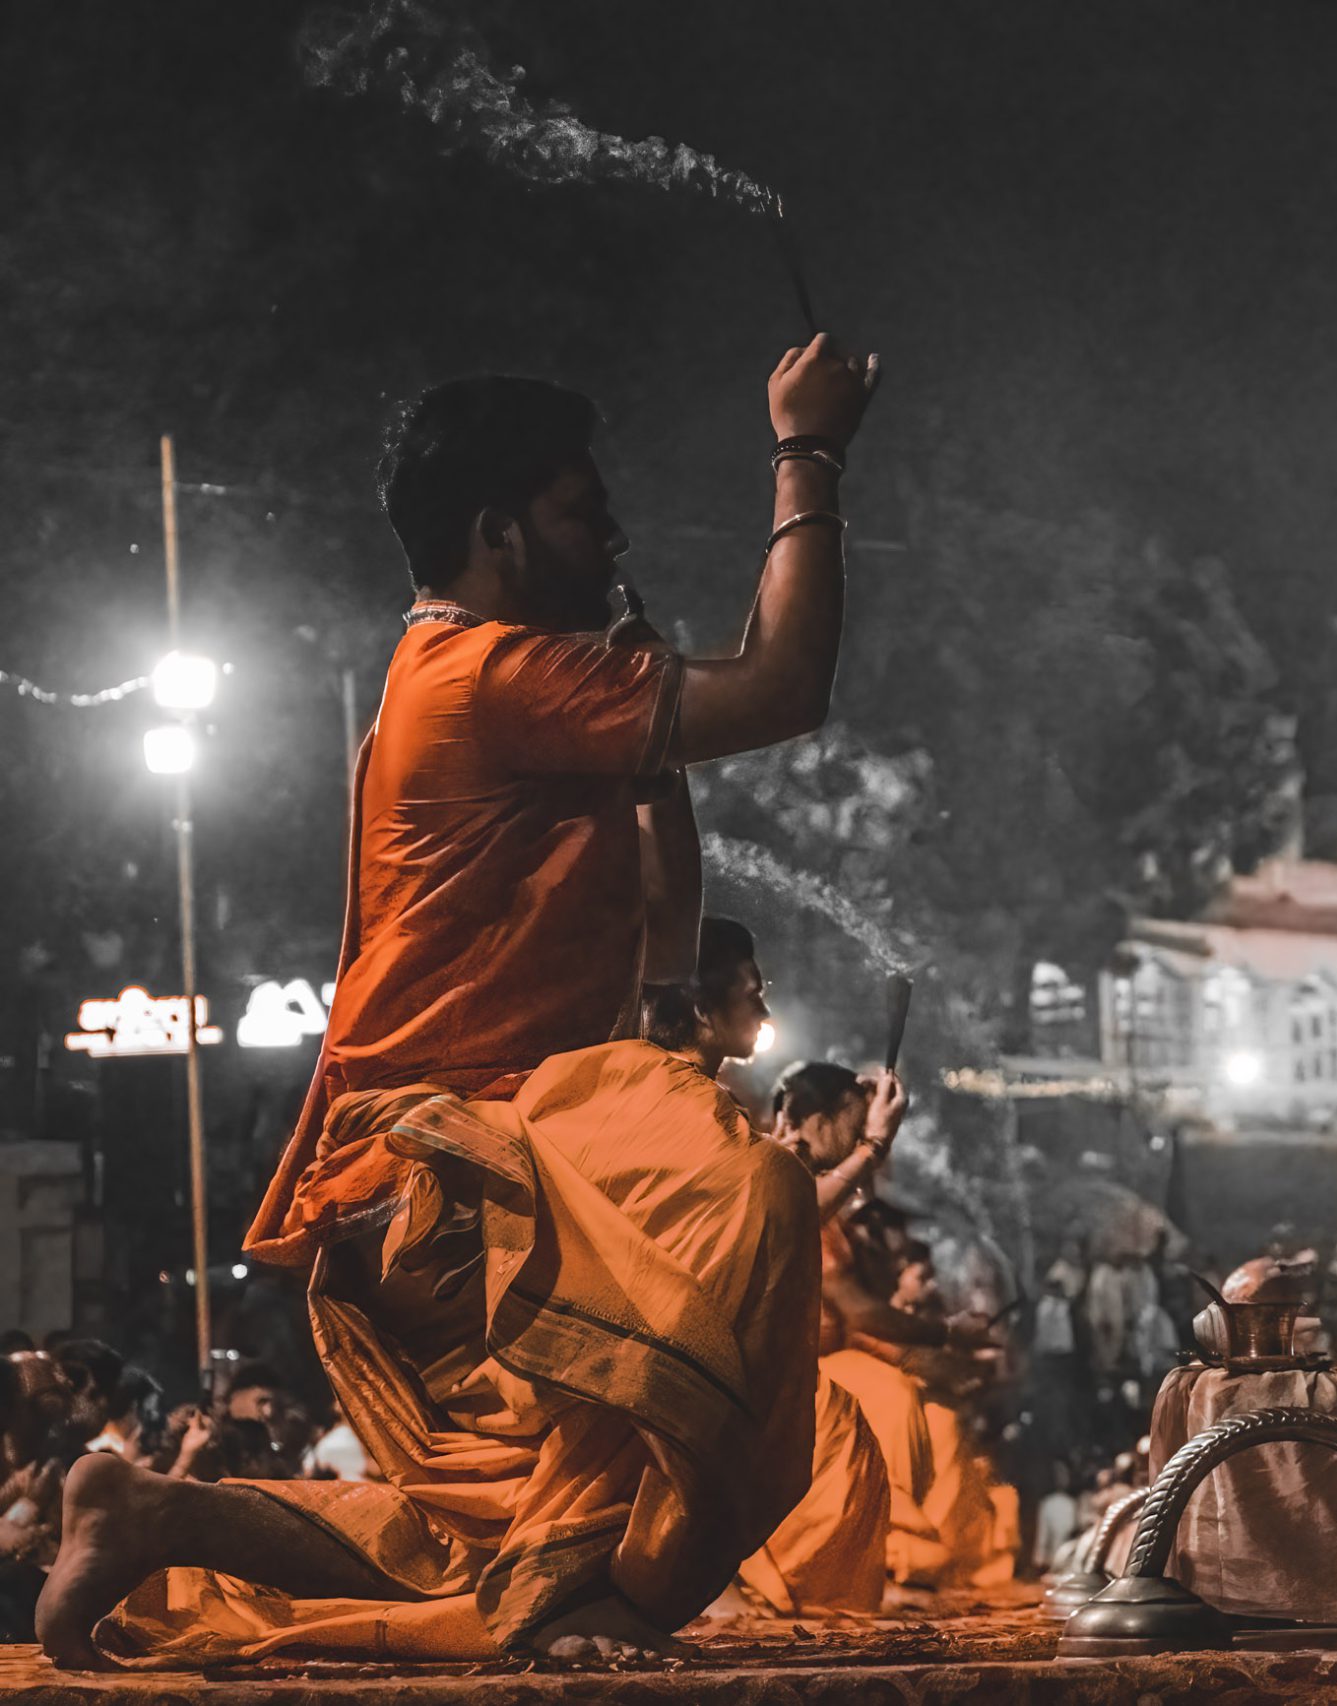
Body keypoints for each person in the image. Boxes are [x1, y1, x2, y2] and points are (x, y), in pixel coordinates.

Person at [39, 335, 882, 1670]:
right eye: (580, 506)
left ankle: (145, 1510)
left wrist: (656, 753)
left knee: (483, 1558)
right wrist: (808, 451)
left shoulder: (449, 680)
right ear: (498, 530)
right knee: (749, 1193)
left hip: (435, 1179)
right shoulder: (490, 677)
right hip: (446, 1172)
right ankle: (562, 1594)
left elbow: (664, 944)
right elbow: (786, 685)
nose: (611, 531)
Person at [723, 1054, 904, 1619]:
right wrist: (872, 1146)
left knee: (845, 1430)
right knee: (838, 1427)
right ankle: (750, 1581)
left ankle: (803, 1588)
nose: (857, 1140)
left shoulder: (800, 1171)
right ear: (823, 1120)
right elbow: (800, 1219)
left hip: (774, 1355)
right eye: (850, 1123)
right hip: (725, 1346)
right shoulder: (768, 1161)